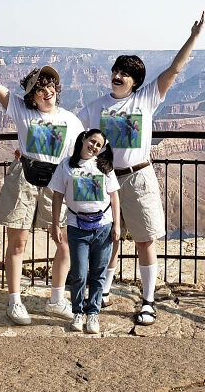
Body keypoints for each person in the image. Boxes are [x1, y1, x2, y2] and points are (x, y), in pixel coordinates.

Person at [78, 10, 205, 325]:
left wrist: (193, 37)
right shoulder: (95, 107)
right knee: (106, 238)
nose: (117, 76)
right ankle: (103, 290)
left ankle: (148, 301)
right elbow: (71, 135)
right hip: (105, 179)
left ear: (135, 82)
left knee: (145, 239)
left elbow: (174, 69)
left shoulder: (146, 99)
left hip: (138, 177)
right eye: (116, 70)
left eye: (124, 73)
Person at [0, 38, 84, 325]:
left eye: (50, 86)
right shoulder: (21, 110)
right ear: (32, 96)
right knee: (17, 243)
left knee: (64, 242)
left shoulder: (71, 120)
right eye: (40, 88)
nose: (47, 91)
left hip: (56, 182)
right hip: (24, 177)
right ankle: (14, 301)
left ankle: (56, 299)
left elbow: (80, 154)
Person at [50, 129, 120, 334]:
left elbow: (114, 197)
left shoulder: (104, 167)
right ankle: (78, 312)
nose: (94, 146)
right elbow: (57, 195)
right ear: (83, 139)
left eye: (99, 145)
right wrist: (55, 224)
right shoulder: (66, 165)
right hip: (76, 226)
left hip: (103, 226)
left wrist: (116, 225)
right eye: (92, 141)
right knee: (79, 274)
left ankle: (93, 313)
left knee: (98, 273)